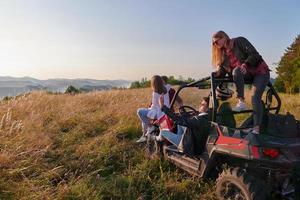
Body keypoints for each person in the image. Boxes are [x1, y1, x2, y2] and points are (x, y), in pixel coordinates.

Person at [212, 30, 270, 134]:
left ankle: (256, 128)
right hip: (246, 75)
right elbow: (222, 71)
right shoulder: (224, 54)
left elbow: (255, 55)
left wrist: (245, 64)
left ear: (224, 37)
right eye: (214, 43)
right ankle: (241, 103)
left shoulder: (239, 41)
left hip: (260, 72)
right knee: (236, 71)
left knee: (255, 97)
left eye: (216, 41)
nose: (215, 44)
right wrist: (214, 74)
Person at [136, 75, 170, 143]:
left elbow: (154, 106)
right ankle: (144, 135)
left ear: (153, 84)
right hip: (166, 111)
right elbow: (169, 85)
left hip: (159, 112)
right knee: (145, 116)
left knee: (139, 111)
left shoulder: (155, 92)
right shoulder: (166, 88)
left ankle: (150, 127)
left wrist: (149, 110)